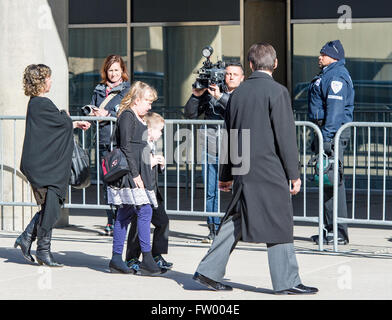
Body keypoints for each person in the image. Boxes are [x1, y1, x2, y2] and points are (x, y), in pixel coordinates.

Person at [193, 43, 318, 295]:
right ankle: (287, 281)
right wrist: (294, 173)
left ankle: (208, 271)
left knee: (236, 219)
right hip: (269, 169)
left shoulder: (237, 94)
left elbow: (230, 136)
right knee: (280, 221)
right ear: (275, 63)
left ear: (250, 65)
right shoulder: (278, 92)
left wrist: (226, 174)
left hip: (243, 168)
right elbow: (285, 137)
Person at [15, 64, 91, 266]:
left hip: (41, 164)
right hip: (43, 166)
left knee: (50, 206)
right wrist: (67, 119)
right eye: (48, 78)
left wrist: (71, 123)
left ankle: (28, 238)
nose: (51, 81)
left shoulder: (37, 103)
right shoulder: (42, 103)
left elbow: (57, 125)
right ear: (41, 81)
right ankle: (41, 249)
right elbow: (59, 123)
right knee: (52, 206)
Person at [106, 81, 165, 276]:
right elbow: (126, 148)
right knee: (144, 211)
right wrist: (135, 174)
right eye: (147, 102)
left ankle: (117, 259)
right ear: (137, 100)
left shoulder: (134, 116)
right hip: (132, 174)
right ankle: (145, 258)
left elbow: (135, 146)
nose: (150, 106)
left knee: (125, 214)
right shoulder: (127, 116)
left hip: (137, 171)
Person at [184, 62, 244, 243]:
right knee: (211, 190)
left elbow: (239, 111)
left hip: (237, 146)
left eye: (235, 74)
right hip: (210, 145)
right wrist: (195, 97)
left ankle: (239, 227)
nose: (231, 77)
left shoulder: (244, 94)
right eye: (228, 74)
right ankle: (213, 229)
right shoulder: (211, 92)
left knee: (241, 189)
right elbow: (190, 115)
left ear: (242, 78)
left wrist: (221, 97)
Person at [307, 40, 354, 245]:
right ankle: (328, 229)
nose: (320, 57)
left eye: (323, 54)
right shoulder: (327, 74)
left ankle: (339, 232)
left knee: (334, 184)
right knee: (326, 184)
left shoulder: (336, 76)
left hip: (331, 135)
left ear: (333, 57)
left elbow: (334, 113)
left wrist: (326, 139)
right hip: (324, 134)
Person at [126, 112, 173, 272]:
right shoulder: (140, 144)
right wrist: (150, 162)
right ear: (149, 129)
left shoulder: (152, 145)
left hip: (153, 192)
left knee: (163, 221)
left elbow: (152, 170)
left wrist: (160, 165)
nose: (161, 134)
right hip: (141, 190)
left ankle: (156, 255)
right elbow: (136, 166)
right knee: (138, 225)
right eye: (159, 130)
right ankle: (132, 258)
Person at [89, 54, 131, 236]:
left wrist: (108, 113)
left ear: (122, 70)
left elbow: (127, 111)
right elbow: (93, 107)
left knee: (120, 182)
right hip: (103, 140)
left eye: (116, 70)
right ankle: (110, 220)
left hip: (119, 141)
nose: (113, 73)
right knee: (106, 182)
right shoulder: (99, 89)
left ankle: (122, 220)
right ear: (105, 71)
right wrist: (91, 114)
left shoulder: (128, 90)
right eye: (110, 70)